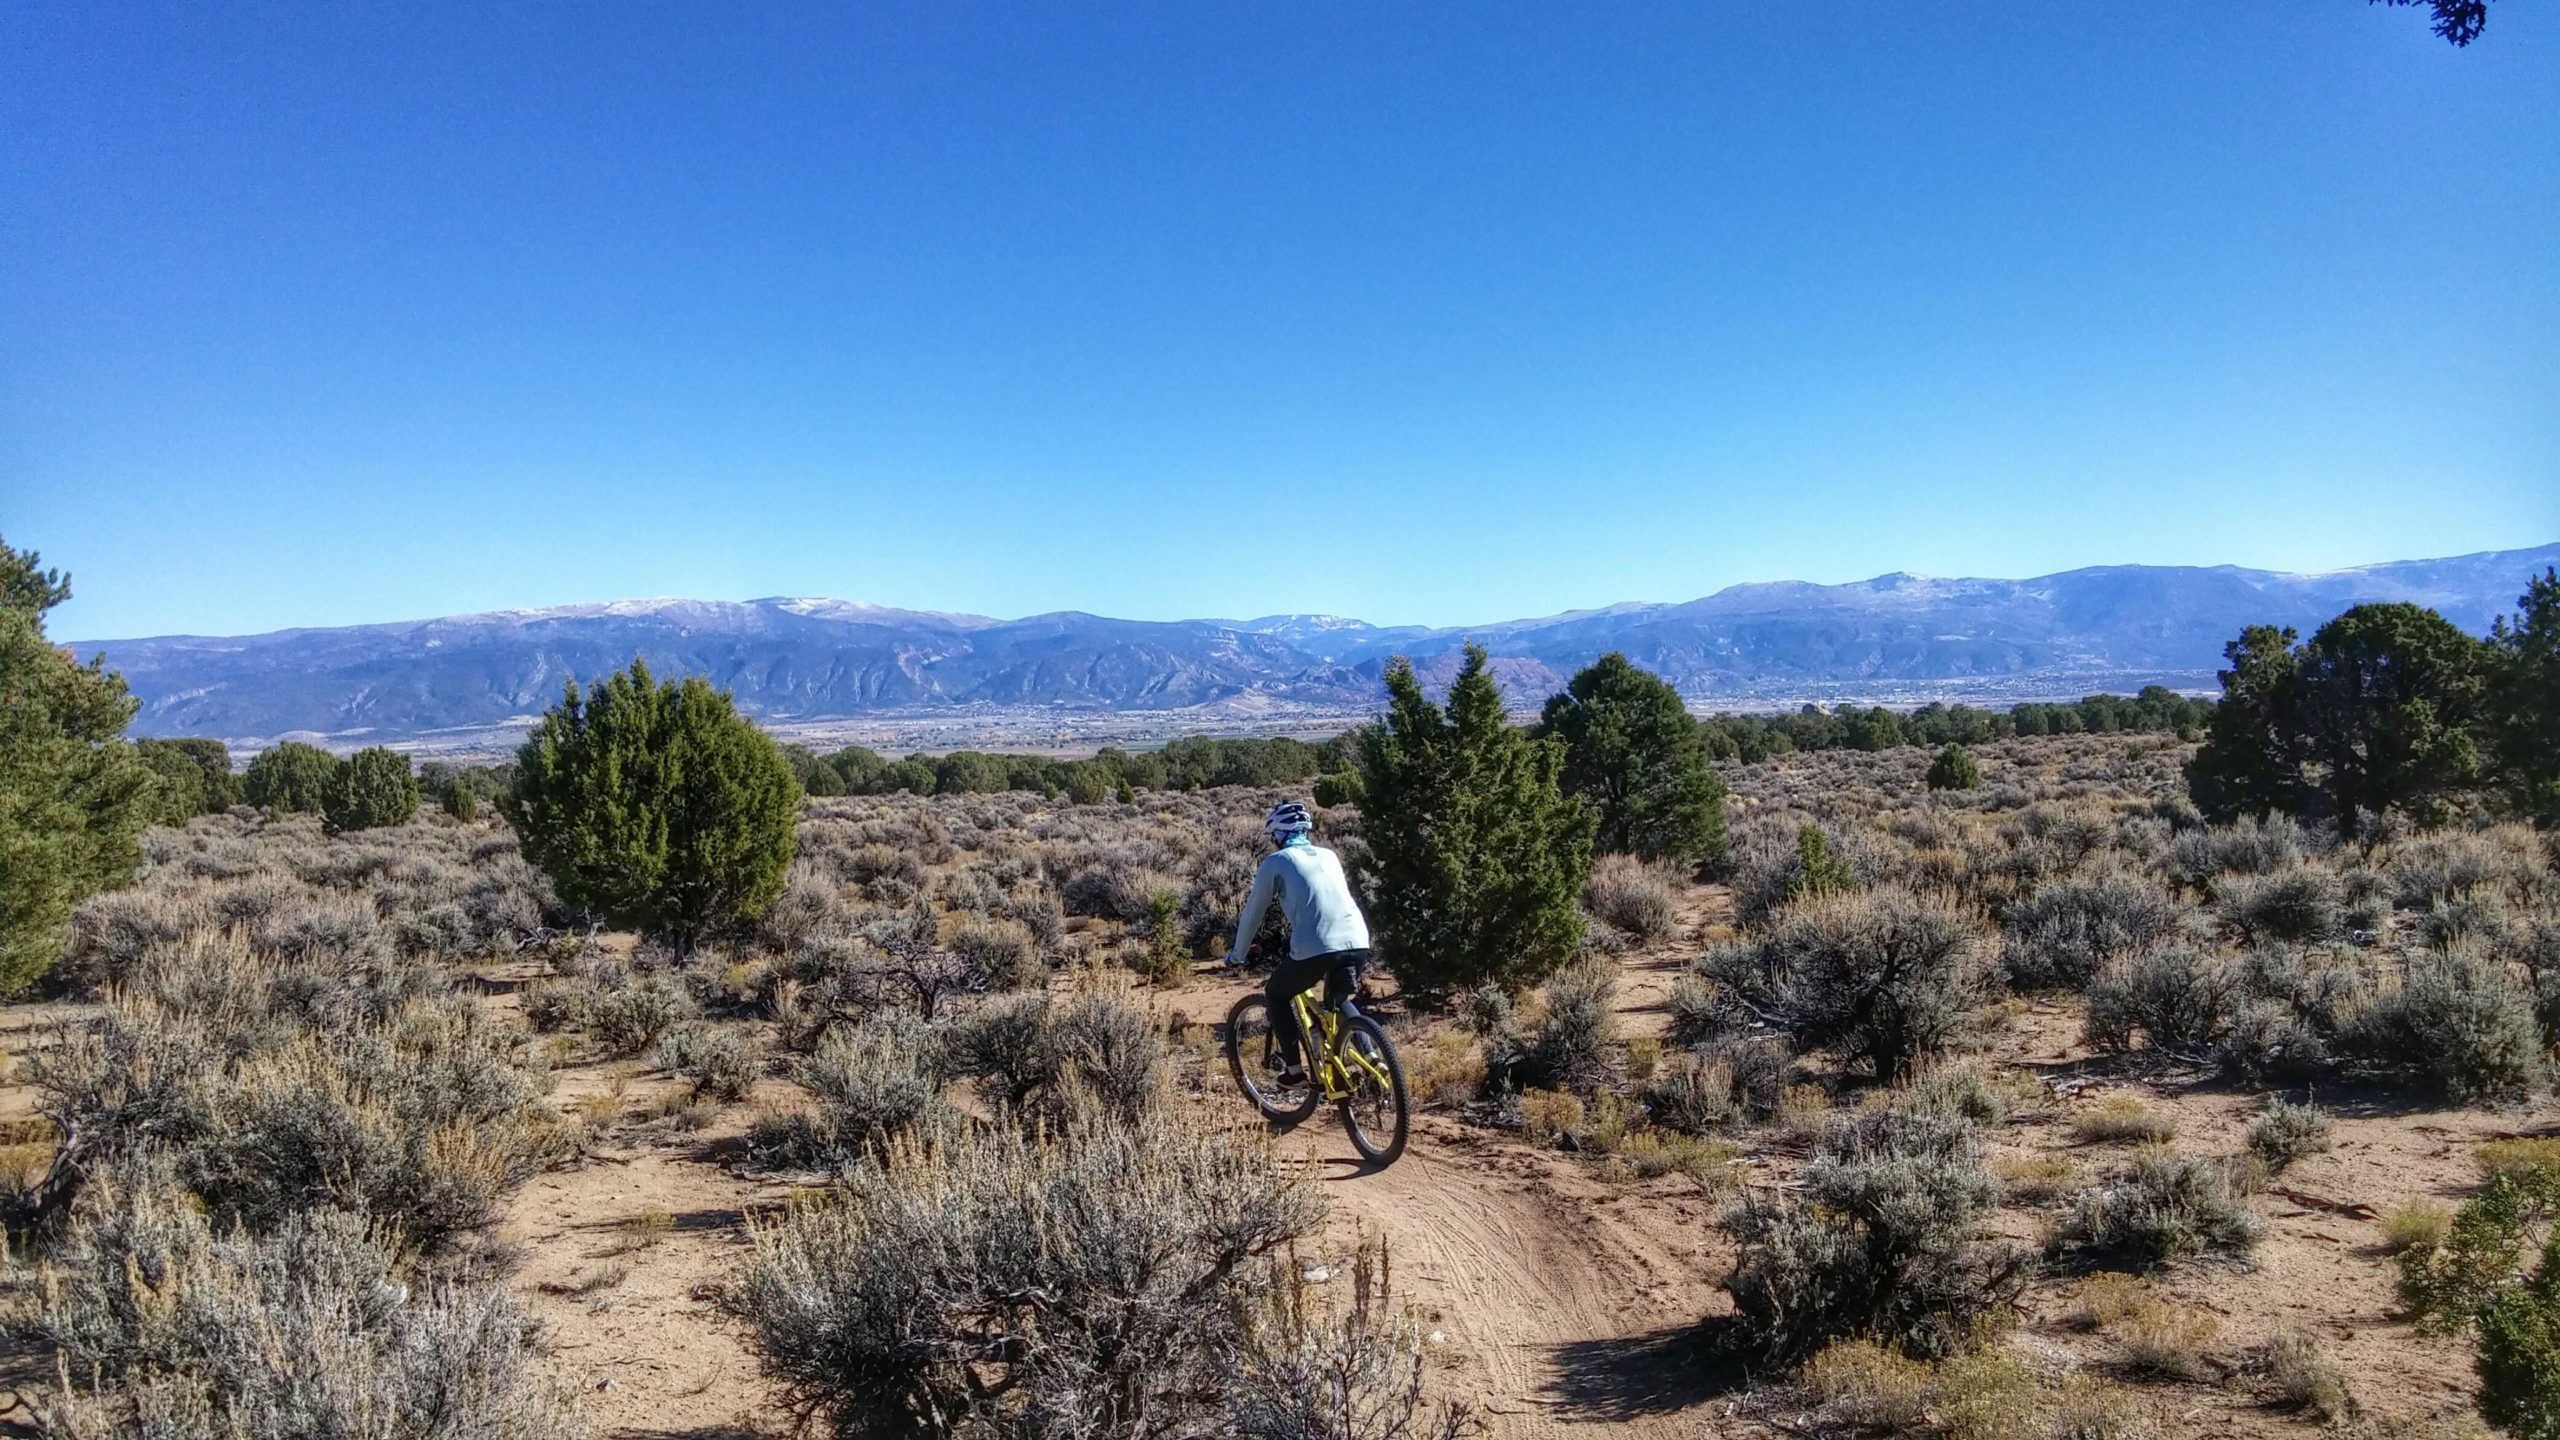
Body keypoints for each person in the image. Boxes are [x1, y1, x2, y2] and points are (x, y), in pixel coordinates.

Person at [1225, 799, 1372, 1086]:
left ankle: (1294, 1071)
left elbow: (1254, 912)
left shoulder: (1276, 862)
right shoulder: (1329, 855)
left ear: (1279, 834)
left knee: (1277, 994)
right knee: (1339, 1001)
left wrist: (1238, 954)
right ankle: (1374, 1058)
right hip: (1357, 938)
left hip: (1315, 944)